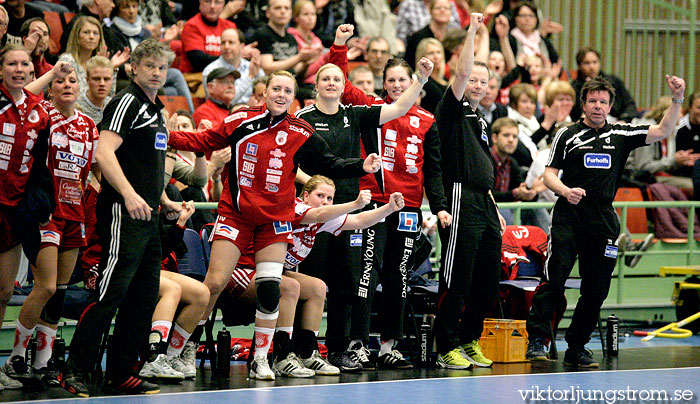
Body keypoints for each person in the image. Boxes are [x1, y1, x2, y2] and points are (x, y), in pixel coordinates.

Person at [166, 69, 382, 381]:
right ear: (264, 92)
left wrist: (360, 165)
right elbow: (205, 139)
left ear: (293, 98)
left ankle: (261, 359)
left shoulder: (301, 131)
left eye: (287, 91)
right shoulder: (240, 119)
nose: (281, 95)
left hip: (274, 220)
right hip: (236, 215)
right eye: (276, 89)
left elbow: (327, 163)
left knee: (271, 288)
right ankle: (181, 350)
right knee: (213, 284)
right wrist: (163, 133)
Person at [525, 74, 686, 368]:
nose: (598, 106)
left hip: (602, 221)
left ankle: (577, 346)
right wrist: (564, 191)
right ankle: (537, 340)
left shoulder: (621, 136)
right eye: (592, 101)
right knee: (554, 278)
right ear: (583, 104)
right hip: (568, 216)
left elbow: (663, 130)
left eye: (603, 101)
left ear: (610, 105)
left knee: (596, 287)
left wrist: (677, 99)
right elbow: (548, 174)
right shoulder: (566, 134)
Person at [59, 39, 183, 397]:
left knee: (143, 296)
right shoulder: (126, 102)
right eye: (150, 67)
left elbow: (145, 164)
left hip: (148, 214)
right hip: (122, 212)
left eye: (162, 68)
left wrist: (162, 198)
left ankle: (121, 371)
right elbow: (103, 151)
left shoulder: (155, 109)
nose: (157, 73)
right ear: (135, 68)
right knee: (110, 292)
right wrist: (128, 195)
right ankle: (76, 370)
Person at [326, 24, 450, 370]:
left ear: (413, 83)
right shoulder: (370, 108)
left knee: (398, 274)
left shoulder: (427, 120)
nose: (397, 86)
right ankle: (358, 343)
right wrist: (339, 45)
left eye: (402, 80)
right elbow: (343, 85)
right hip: (376, 203)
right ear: (384, 84)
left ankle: (389, 345)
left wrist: (438, 207)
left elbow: (434, 170)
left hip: (409, 207)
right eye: (391, 80)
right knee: (367, 271)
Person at [240, 179, 406, 378]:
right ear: (305, 195)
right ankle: (282, 356)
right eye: (320, 196)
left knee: (318, 287)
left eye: (330, 198)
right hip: (245, 269)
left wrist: (388, 208)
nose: (325, 202)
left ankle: (308, 353)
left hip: (275, 274)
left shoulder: (320, 220)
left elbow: (359, 221)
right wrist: (355, 204)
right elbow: (319, 213)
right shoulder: (295, 208)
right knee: (291, 286)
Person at [4, 63, 99, 387]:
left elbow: (98, 168)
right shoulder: (41, 114)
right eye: (61, 81)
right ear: (52, 87)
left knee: (57, 292)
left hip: (75, 214)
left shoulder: (89, 126)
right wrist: (50, 73)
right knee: (44, 285)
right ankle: (16, 356)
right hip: (47, 212)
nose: (67, 85)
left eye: (73, 80)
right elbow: (24, 95)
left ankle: (42, 361)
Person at [432, 13, 505, 370]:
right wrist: (474, 31)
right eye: (473, 79)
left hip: (484, 201)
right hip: (459, 196)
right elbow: (461, 73)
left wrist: (493, 203)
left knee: (488, 278)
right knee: (457, 275)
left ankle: (468, 340)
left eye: (483, 81)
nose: (477, 85)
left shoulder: (480, 117)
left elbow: (482, 164)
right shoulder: (452, 110)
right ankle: (445, 345)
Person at [0, 43, 53, 391]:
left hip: (14, 213)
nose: (19, 69)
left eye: (25, 65)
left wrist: (40, 205)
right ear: (0, 70)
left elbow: (40, 167)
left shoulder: (40, 114)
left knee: (3, 291)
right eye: (11, 64)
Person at [139, 201, 210, 381]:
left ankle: (170, 356)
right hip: (126, 268)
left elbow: (160, 250)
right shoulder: (121, 202)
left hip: (151, 268)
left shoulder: (152, 205)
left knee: (201, 294)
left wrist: (180, 223)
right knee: (173, 288)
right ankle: (154, 358)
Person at [59, 16, 130, 98]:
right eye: (86, 32)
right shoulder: (67, 60)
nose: (92, 37)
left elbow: (108, 96)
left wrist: (112, 68)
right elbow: (70, 95)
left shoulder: (98, 62)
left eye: (95, 33)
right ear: (77, 36)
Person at [250, 0, 321, 77]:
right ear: (268, 13)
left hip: (293, 83)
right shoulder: (263, 34)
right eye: (277, 8)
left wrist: (306, 61)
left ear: (291, 13)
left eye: (287, 8)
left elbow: (295, 70)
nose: (283, 11)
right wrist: (299, 58)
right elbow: (267, 68)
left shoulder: (291, 38)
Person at [570, 46, 638, 122]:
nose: (592, 67)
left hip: (616, 123)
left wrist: (624, 120)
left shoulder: (614, 81)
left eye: (595, 62)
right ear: (579, 66)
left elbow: (630, 105)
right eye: (587, 63)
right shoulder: (573, 88)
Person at [202, 28, 264, 105]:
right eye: (223, 43)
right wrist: (250, 77)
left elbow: (264, 92)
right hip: (225, 114)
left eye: (231, 42)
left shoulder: (251, 66)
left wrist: (258, 73)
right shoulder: (210, 71)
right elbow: (225, 103)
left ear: (242, 46)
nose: (226, 47)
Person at [179, 0, 237, 74]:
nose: (212, 6)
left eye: (217, 2)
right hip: (196, 77)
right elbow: (198, 61)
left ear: (223, 5)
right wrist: (231, 58)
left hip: (225, 74)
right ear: (200, 3)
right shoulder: (192, 26)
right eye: (207, 1)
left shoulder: (230, 26)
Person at [77, 56, 114, 126]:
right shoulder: (76, 107)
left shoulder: (113, 106)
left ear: (112, 81)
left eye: (106, 79)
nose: (102, 84)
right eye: (96, 79)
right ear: (87, 80)